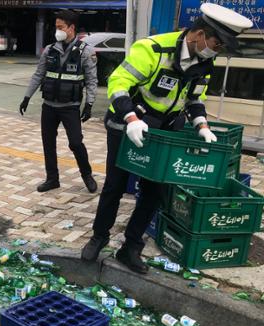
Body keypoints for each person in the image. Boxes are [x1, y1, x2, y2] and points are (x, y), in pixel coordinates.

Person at [80, 3, 253, 273]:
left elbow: (195, 98)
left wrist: (202, 125)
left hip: (164, 131)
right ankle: (99, 236)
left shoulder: (205, 60)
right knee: (116, 184)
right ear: (198, 34)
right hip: (129, 124)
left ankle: (131, 247)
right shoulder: (152, 48)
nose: (215, 51)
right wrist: (131, 119)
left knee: (155, 190)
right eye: (216, 44)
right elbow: (118, 81)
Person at [19, 10, 98, 194]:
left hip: (70, 107)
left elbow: (92, 80)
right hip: (49, 106)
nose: (57, 31)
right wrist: (27, 97)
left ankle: (87, 175)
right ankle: (52, 179)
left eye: (60, 27)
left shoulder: (85, 52)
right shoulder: (50, 50)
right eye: (56, 27)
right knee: (48, 143)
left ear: (71, 28)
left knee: (76, 143)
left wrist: (89, 104)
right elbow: (38, 74)